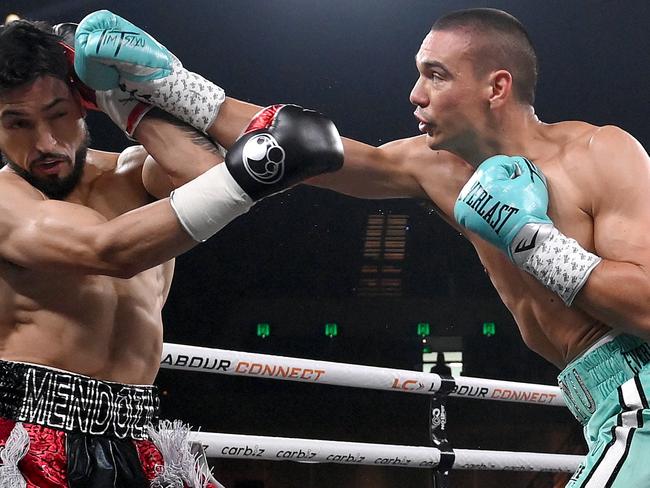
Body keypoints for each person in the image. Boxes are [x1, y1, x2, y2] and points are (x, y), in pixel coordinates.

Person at [79, 7, 650, 487]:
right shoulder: (435, 169)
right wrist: (165, 83)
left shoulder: (599, 154)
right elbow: (305, 149)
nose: (415, 94)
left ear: (496, 86)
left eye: (436, 75)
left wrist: (534, 240)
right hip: (599, 401)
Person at [0, 18, 343, 487]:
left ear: (82, 107)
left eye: (58, 113)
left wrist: (121, 100)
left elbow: (207, 179)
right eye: (16, 123)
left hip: (141, 434)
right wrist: (258, 171)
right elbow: (109, 250)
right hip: (24, 433)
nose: (45, 143)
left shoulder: (130, 172)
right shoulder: (6, 201)